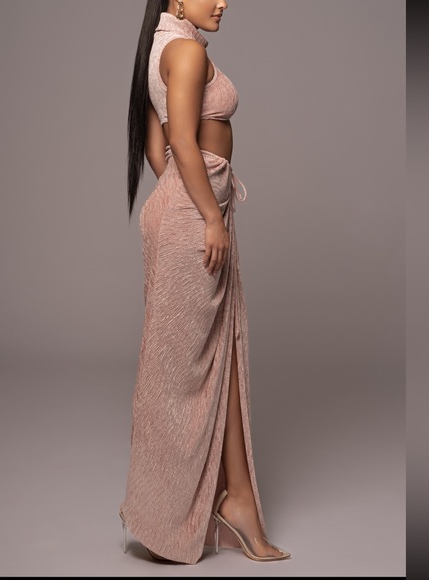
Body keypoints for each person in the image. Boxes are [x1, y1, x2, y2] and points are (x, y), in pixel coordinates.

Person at [118, 0, 291, 565]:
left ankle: (236, 500)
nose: (223, 1)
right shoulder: (186, 52)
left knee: (220, 358)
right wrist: (207, 215)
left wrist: (187, 203)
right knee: (183, 372)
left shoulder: (160, 47)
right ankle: (163, 515)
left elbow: (156, 147)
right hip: (198, 216)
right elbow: (185, 145)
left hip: (187, 209)